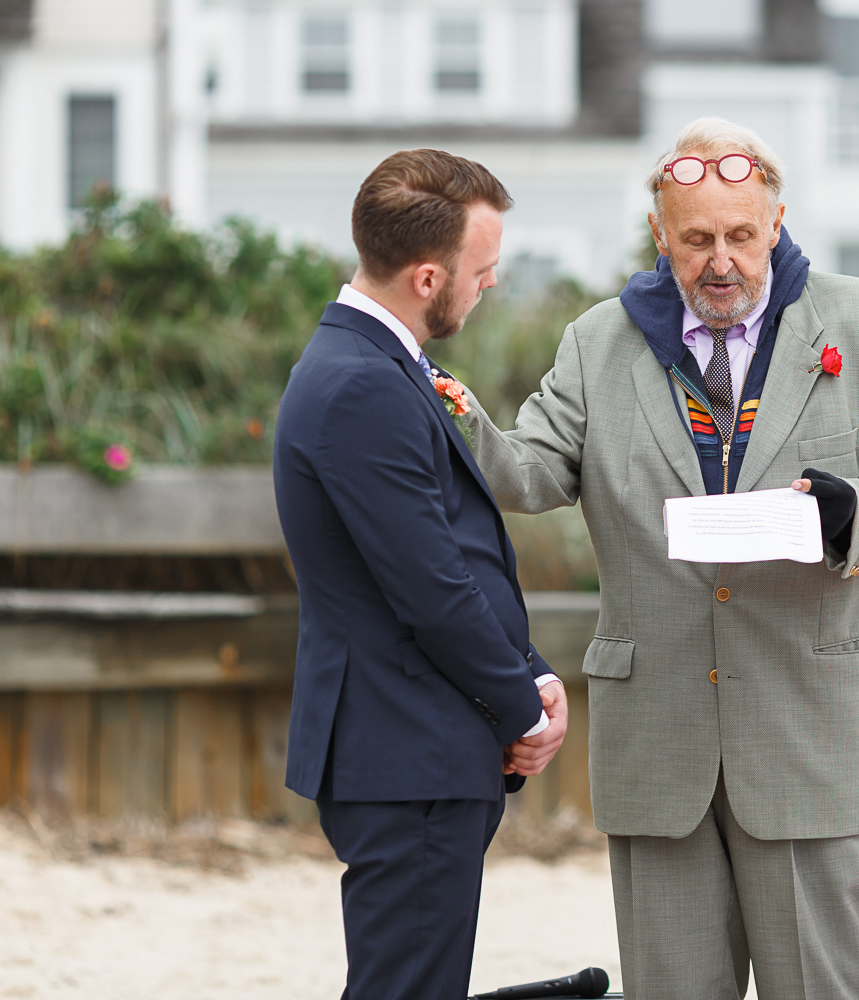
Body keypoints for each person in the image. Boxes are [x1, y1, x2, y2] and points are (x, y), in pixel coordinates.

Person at [458, 117, 859, 1000]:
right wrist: (442, 406)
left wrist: (849, 512)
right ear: (660, 235)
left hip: (812, 734)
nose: (721, 260)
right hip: (661, 739)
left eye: (742, 236)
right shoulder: (595, 342)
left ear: (778, 221)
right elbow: (529, 472)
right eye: (697, 239)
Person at [272, 149, 569, 999]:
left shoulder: (375, 365)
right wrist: (524, 711)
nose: (491, 286)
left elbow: (454, 558)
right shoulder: (363, 384)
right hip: (408, 748)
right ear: (429, 275)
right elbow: (432, 589)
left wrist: (534, 669)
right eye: (484, 270)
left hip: (411, 743)